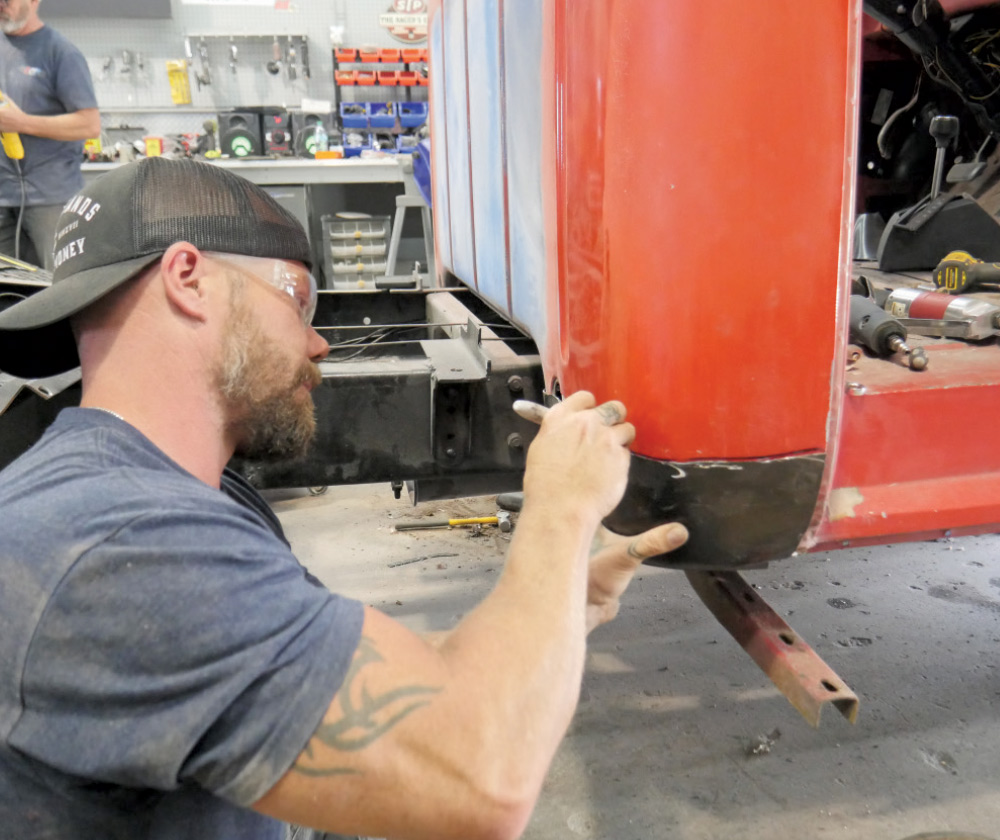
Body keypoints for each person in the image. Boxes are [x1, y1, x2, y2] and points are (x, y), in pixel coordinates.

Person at [0, 158, 688, 840]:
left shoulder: (174, 501)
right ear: (190, 280)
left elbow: (349, 699)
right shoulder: (114, 547)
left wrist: (558, 601)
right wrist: (561, 510)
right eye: (299, 303)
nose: (319, 343)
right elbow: (480, 775)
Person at [0, 0, 99, 270]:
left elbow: (89, 124)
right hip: (2, 199)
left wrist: (21, 122)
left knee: (60, 288)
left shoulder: (61, 52)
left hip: (50, 200)